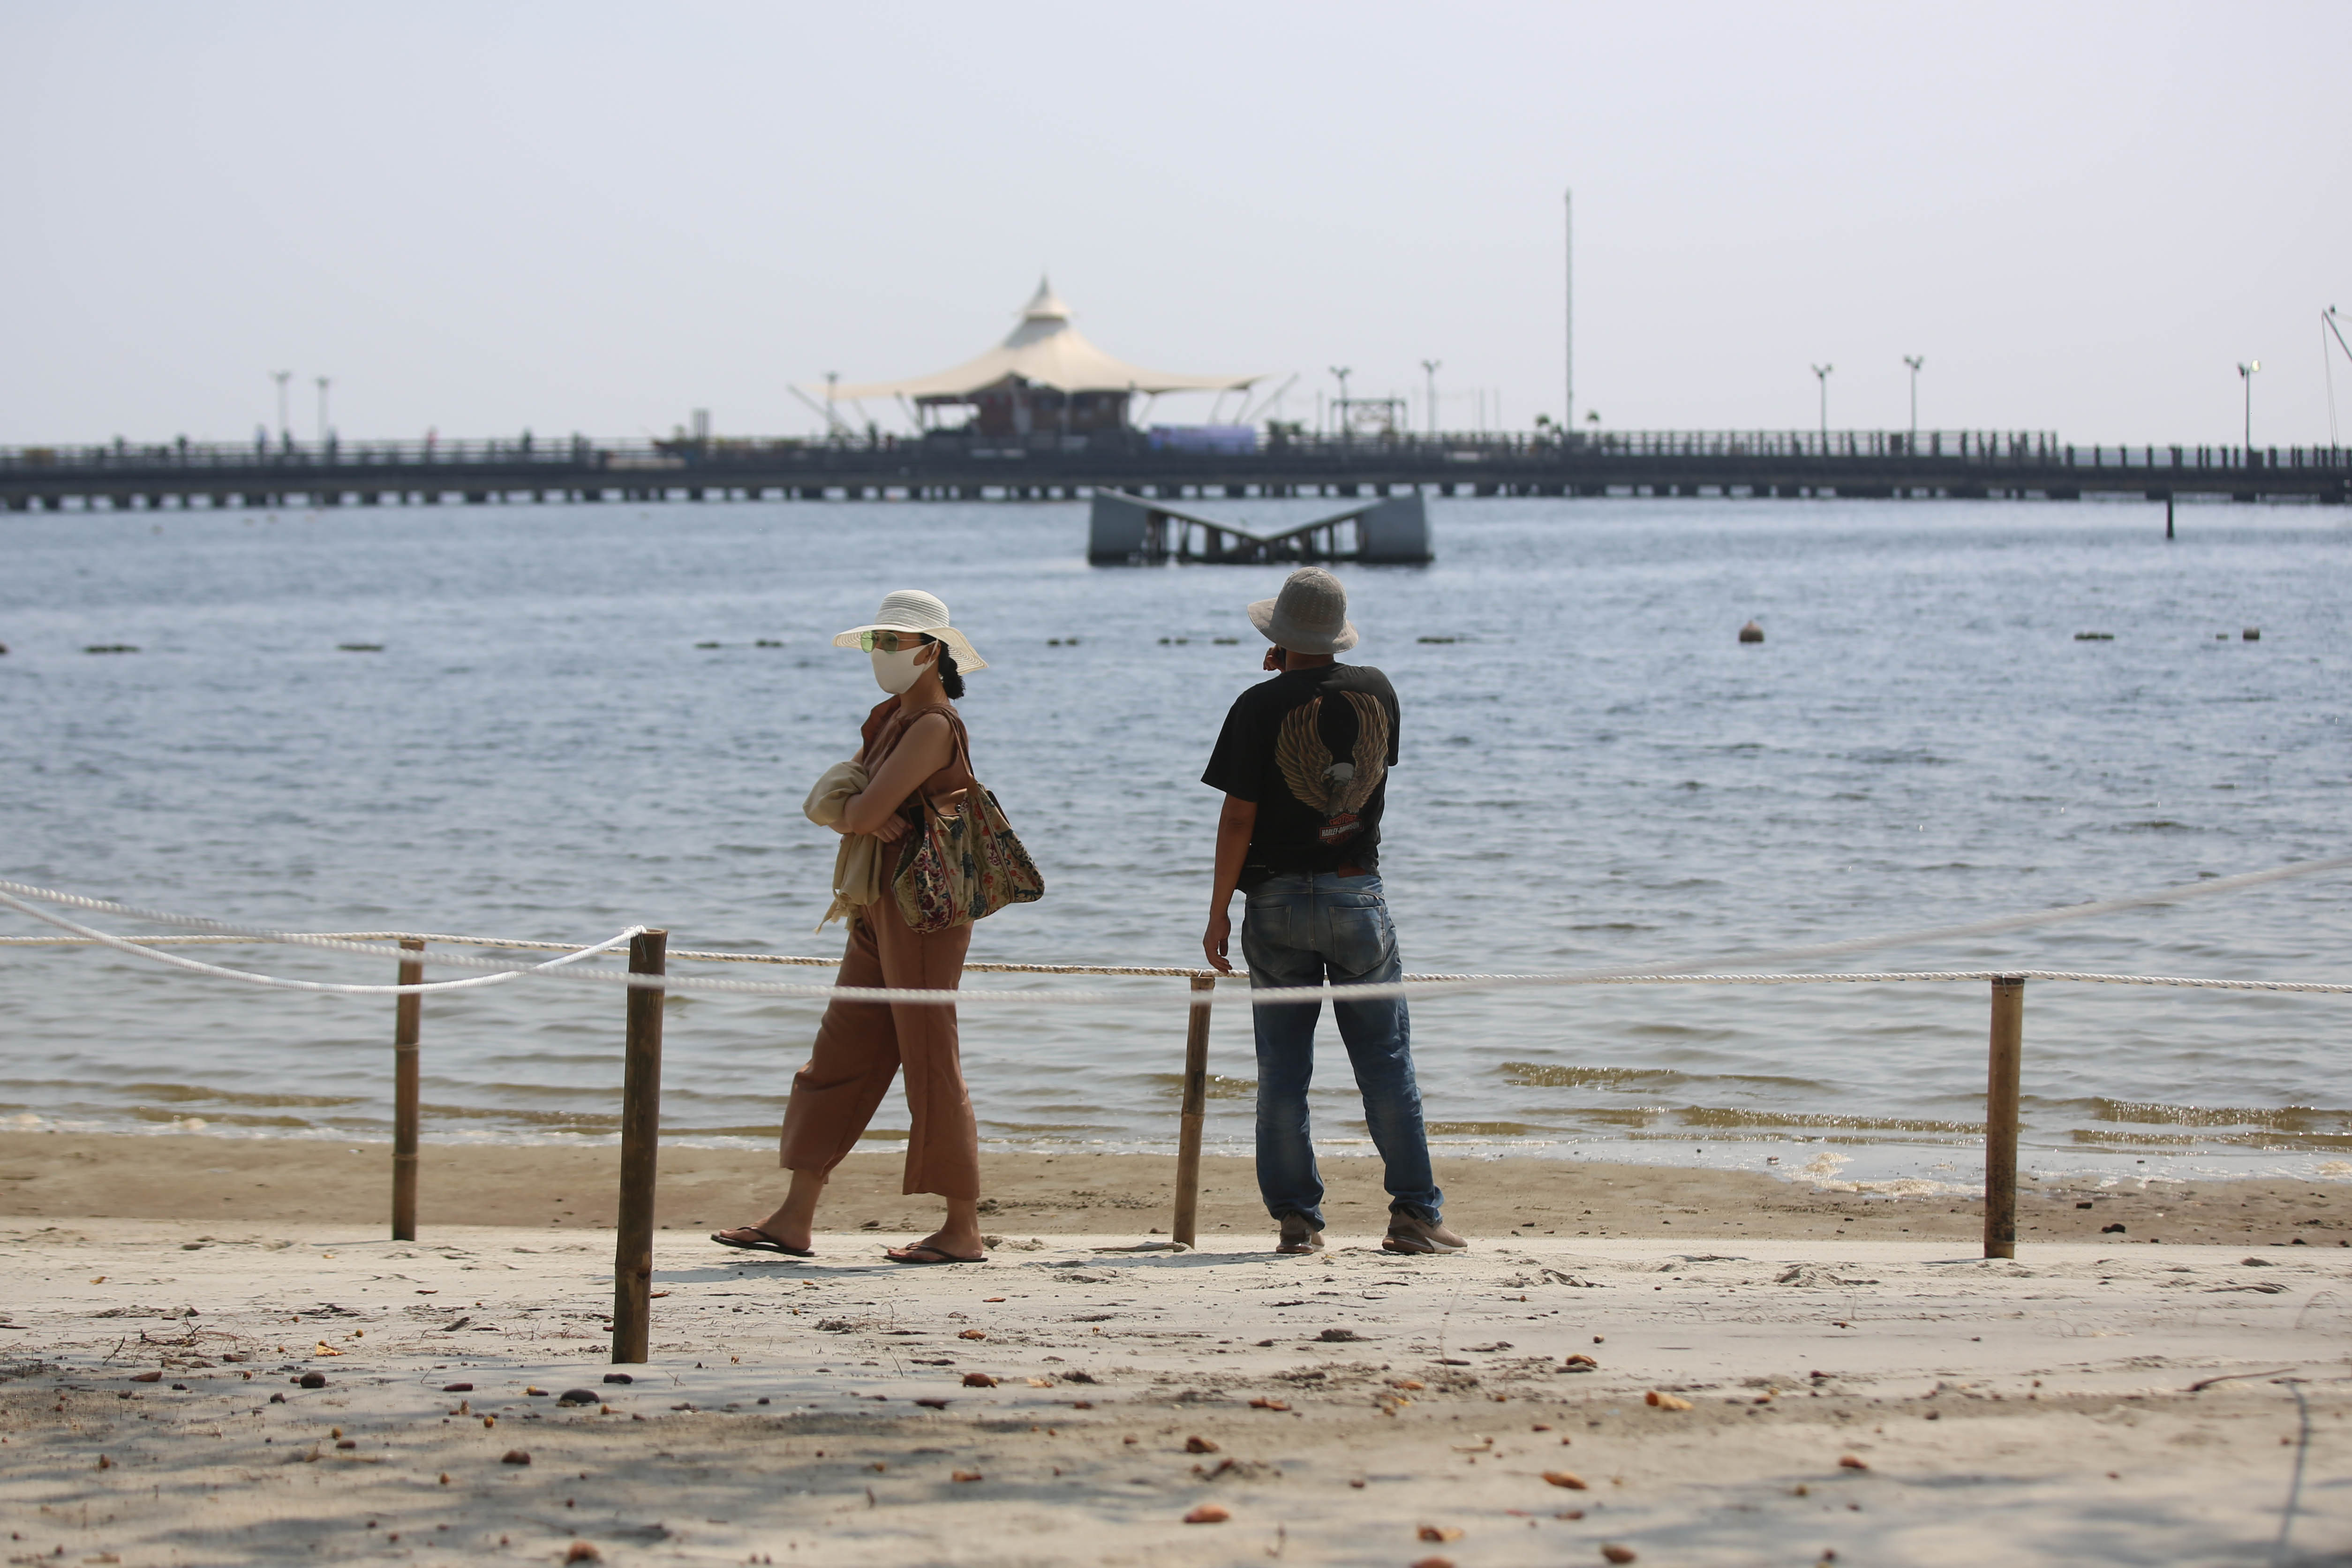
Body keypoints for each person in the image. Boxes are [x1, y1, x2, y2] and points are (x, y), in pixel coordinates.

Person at [714, 589, 993, 1266]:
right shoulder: (893, 716)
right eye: (877, 641)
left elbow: (859, 808)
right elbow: (859, 808)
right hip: (876, 900)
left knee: (931, 1061)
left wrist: (858, 811)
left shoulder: (932, 724)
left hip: (923, 910)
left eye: (894, 642)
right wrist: (860, 811)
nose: (882, 654)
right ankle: (794, 1217)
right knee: (840, 1052)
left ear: (932, 651)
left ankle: (962, 1228)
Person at [1200, 566, 1465, 1257]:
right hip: (1356, 893)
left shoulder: (1256, 706)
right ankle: (1414, 1213)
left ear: (1279, 638)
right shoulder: (1377, 690)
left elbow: (1238, 818)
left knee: (1284, 1071)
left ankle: (1297, 1220)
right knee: (1386, 1063)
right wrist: (1294, 676)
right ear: (1336, 634)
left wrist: (1217, 910)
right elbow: (1359, 782)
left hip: (1276, 898)